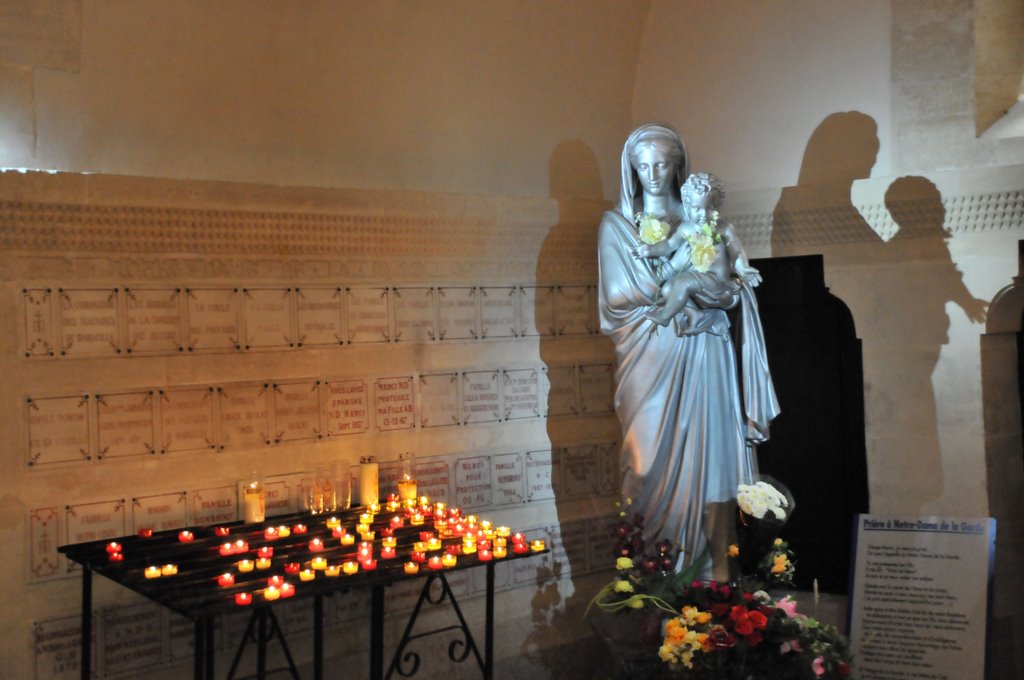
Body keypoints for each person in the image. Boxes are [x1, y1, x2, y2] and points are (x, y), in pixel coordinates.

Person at [597, 123, 779, 580]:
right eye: (642, 166)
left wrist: (713, 295)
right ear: (631, 171)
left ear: (679, 166)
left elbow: (735, 287)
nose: (652, 174)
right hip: (650, 357)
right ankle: (651, 576)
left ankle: (717, 576)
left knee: (714, 459)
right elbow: (618, 298)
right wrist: (685, 295)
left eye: (661, 164)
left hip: (707, 352)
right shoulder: (617, 228)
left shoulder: (710, 220)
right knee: (644, 462)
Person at [632, 172, 762, 332]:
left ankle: (665, 316)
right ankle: (697, 316)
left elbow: (736, 250)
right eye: (697, 208)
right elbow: (668, 245)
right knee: (667, 289)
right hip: (697, 278)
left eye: (709, 208)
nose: (703, 215)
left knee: (682, 283)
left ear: (717, 206)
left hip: (716, 280)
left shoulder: (723, 228)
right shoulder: (686, 228)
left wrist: (743, 268)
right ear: (687, 206)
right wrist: (650, 249)